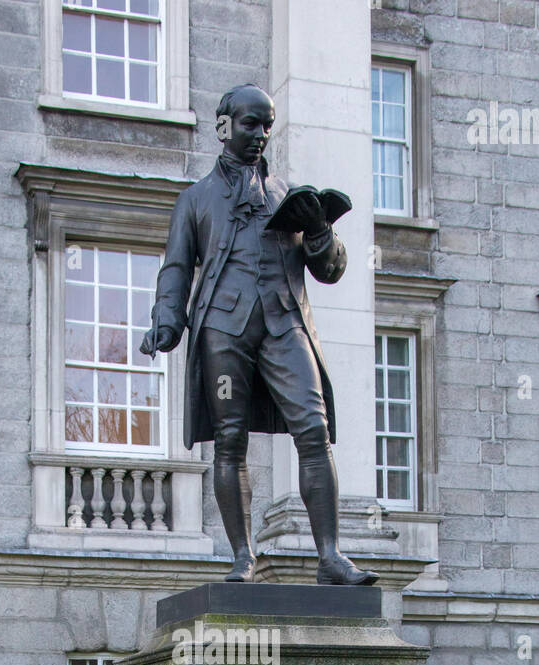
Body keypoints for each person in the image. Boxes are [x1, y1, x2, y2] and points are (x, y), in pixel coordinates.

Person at [140, 83, 376, 585]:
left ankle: (331, 557)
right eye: (251, 123)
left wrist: (317, 231)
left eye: (268, 125)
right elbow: (177, 266)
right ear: (224, 126)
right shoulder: (196, 199)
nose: (261, 135)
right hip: (224, 328)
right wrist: (166, 320)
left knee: (314, 430)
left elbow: (331, 270)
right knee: (230, 442)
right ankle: (243, 556)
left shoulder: (289, 195)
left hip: (283, 321)